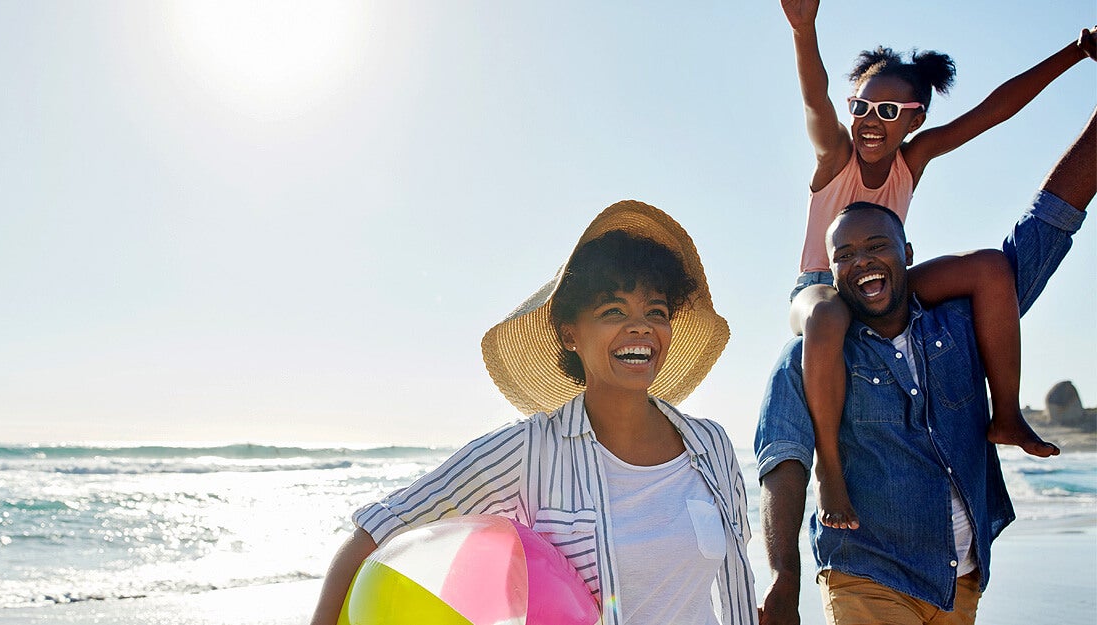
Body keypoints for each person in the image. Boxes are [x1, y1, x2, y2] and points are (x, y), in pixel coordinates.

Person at [310, 200, 757, 625]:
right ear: (570, 334)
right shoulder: (530, 450)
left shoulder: (710, 445)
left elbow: (735, 583)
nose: (640, 326)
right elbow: (377, 529)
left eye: (655, 311)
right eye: (613, 310)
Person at [755, 107, 1095, 625]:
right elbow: (783, 457)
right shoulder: (813, 355)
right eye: (844, 255)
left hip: (960, 583)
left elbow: (1048, 224)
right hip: (866, 577)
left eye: (876, 246)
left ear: (906, 253)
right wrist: (784, 575)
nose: (861, 261)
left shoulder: (963, 325)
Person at [780, 0, 1096, 530]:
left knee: (991, 268)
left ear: (915, 119)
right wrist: (804, 29)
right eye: (861, 108)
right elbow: (815, 100)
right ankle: (830, 472)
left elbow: (995, 112)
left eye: (887, 112)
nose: (869, 122)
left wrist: (1075, 53)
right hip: (823, 285)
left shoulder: (913, 158)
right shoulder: (836, 155)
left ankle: (1008, 414)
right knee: (826, 316)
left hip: (889, 281)